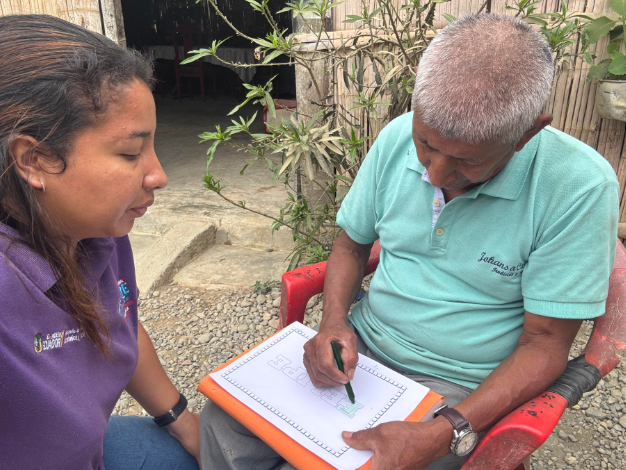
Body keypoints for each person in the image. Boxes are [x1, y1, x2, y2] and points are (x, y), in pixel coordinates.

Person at [199, 13, 620, 470]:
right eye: (426, 145)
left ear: (528, 133)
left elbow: (545, 345)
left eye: (467, 161)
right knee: (224, 422)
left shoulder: (578, 187)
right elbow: (351, 246)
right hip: (365, 348)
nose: (434, 175)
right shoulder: (397, 136)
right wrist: (334, 322)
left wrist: (446, 430)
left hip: (463, 386)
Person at [0, 15, 200, 470]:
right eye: (130, 153)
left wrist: (183, 422)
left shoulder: (100, 236)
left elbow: (118, 324)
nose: (159, 175)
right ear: (34, 159)